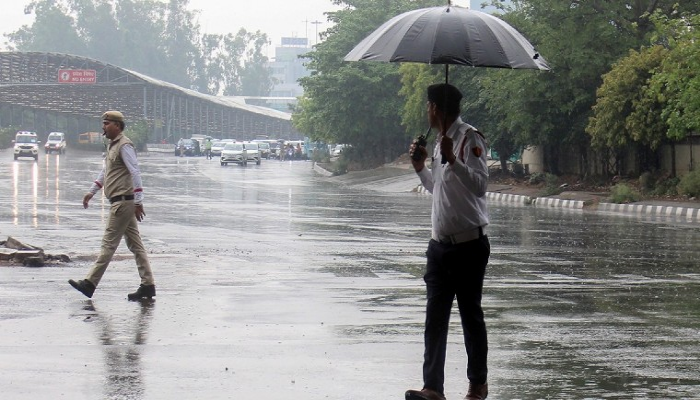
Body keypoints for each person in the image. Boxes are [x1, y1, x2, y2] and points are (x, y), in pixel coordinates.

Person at [405, 84, 490, 400]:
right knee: (435, 319)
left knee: (470, 316)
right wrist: (420, 168)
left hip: (469, 246)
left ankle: (477, 384)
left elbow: (480, 185)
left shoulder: (469, 139)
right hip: (439, 247)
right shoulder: (439, 144)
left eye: (428, 106)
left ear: (436, 109)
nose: (426, 111)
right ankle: (433, 388)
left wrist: (454, 158)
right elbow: (438, 188)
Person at [69, 111, 156, 301]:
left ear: (117, 125)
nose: (103, 127)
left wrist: (139, 201)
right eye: (103, 123)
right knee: (136, 245)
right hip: (121, 202)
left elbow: (135, 172)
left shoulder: (124, 145)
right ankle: (148, 285)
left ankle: (90, 283)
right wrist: (92, 191)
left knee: (108, 244)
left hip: (123, 203)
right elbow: (106, 171)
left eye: (106, 123)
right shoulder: (112, 146)